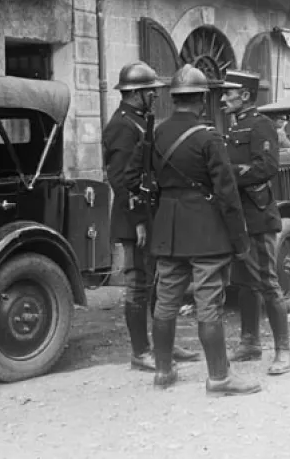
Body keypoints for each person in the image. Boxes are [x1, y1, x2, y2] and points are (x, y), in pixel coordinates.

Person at [133, 64, 260, 396]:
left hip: (168, 230)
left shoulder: (155, 134)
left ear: (174, 99)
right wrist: (240, 240)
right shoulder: (208, 138)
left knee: (165, 303)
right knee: (208, 305)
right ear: (202, 100)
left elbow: (145, 182)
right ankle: (219, 378)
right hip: (206, 232)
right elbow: (227, 194)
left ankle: (163, 371)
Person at [101, 61, 200, 371]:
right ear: (137, 94)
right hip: (135, 222)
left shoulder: (139, 120)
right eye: (151, 93)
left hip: (148, 216)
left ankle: (163, 345)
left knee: (157, 282)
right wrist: (140, 221)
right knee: (138, 285)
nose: (156, 97)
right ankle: (140, 351)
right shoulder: (121, 126)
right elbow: (120, 180)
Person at [220, 70, 290, 376]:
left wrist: (228, 176)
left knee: (267, 281)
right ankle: (250, 342)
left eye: (229, 93)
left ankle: (283, 350)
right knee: (243, 282)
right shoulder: (233, 127)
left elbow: (266, 167)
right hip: (238, 217)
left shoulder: (261, 125)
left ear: (246, 96)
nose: (224, 98)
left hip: (258, 216)